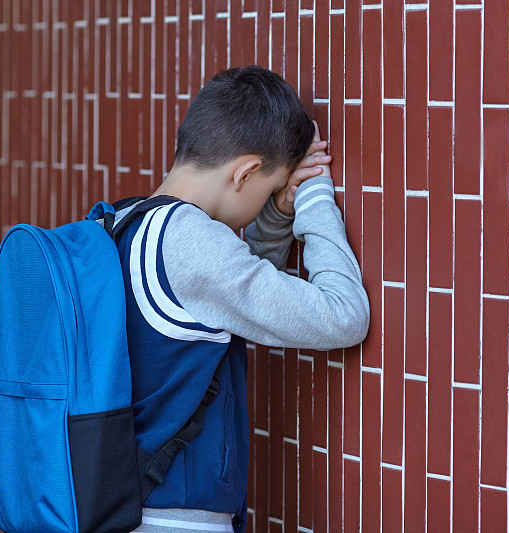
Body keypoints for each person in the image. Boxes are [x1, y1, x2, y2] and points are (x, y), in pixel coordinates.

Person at [111, 65, 369, 533]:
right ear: (246, 171)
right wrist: (314, 199)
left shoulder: (127, 223)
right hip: (173, 519)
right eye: (269, 189)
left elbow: (230, 298)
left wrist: (272, 220)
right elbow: (343, 315)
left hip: (128, 507)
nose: (271, 197)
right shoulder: (191, 244)